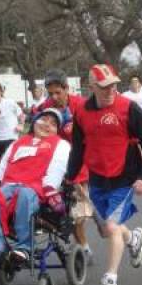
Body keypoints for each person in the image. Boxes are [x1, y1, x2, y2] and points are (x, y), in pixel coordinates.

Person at [67, 64, 142, 285]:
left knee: (109, 226)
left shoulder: (128, 108)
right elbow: (78, 148)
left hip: (126, 177)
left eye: (114, 85)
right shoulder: (81, 113)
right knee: (109, 229)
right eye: (105, 86)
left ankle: (110, 280)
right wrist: (69, 177)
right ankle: (133, 239)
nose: (111, 90)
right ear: (92, 87)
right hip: (97, 177)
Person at [0, 108, 70, 267]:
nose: (47, 125)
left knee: (25, 195)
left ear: (57, 130)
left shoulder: (60, 144)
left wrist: (49, 187)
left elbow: (57, 167)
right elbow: (4, 165)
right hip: (10, 185)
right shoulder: (18, 142)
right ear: (35, 121)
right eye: (44, 120)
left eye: (53, 124)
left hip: (35, 187)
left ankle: (24, 247)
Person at [32, 69, 94, 262]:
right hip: (55, 166)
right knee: (71, 212)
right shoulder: (44, 109)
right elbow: (34, 136)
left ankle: (101, 230)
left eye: (58, 92)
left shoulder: (82, 106)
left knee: (86, 216)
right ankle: (83, 247)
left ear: (67, 88)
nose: (54, 97)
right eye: (50, 93)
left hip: (81, 164)